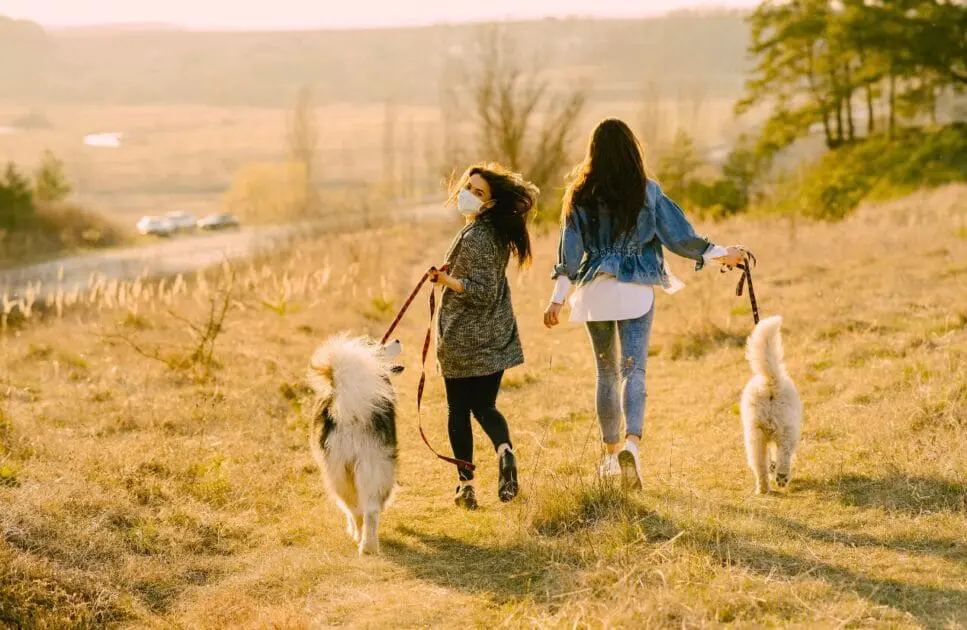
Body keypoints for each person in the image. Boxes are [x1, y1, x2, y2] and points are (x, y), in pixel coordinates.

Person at [543, 118, 746, 489]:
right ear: (632, 149)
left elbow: (569, 255)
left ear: (593, 152)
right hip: (635, 291)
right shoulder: (647, 191)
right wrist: (722, 253)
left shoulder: (579, 195)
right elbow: (680, 237)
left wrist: (557, 299)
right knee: (633, 371)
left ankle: (610, 457)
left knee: (605, 373)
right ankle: (632, 448)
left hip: (595, 293)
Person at [430, 163, 537, 509]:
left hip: (465, 335)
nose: (469, 195)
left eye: (478, 193)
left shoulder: (477, 235)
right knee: (485, 406)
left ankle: (466, 486)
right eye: (469, 188)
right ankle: (505, 451)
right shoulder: (493, 231)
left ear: (490, 203)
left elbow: (481, 290)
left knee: (458, 409)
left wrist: (446, 281)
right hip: (495, 333)